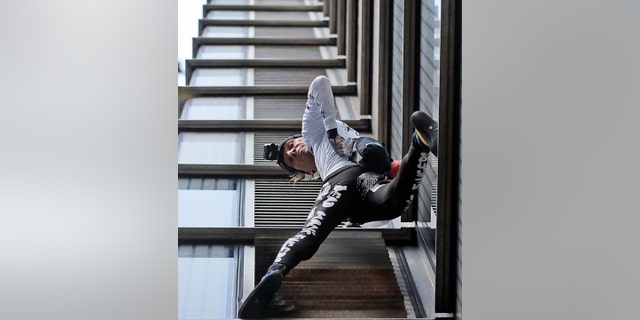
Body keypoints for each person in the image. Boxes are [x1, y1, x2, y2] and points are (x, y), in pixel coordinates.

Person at [238, 75, 438, 318]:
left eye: (290, 145)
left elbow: (320, 82)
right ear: (306, 172)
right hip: (351, 191)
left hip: (353, 177)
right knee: (392, 205)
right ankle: (420, 141)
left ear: (299, 137)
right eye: (291, 159)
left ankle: (276, 269)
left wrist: (330, 127)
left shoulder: (313, 129)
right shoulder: (321, 151)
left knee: (311, 232)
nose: (293, 151)